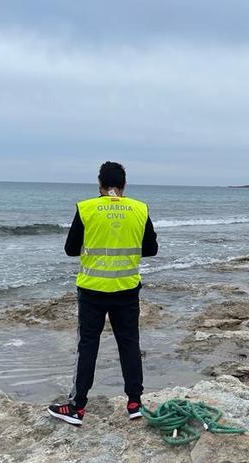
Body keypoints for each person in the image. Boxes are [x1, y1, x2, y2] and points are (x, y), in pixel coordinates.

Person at [48, 162, 158, 425]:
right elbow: (151, 249)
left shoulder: (86, 208)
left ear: (99, 184)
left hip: (92, 290)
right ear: (124, 185)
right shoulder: (139, 209)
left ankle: (77, 407)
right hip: (127, 289)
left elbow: (71, 249)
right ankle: (134, 403)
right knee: (129, 344)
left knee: (87, 345)